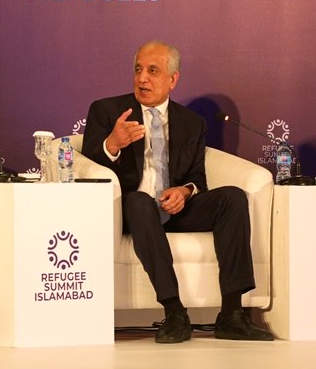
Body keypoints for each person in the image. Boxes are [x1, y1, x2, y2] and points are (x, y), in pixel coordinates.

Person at [82, 41, 274, 343]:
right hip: (130, 209)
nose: (142, 78)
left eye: (153, 71)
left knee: (233, 198)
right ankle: (174, 312)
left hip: (175, 208)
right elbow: (87, 166)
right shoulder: (107, 111)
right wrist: (113, 145)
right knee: (139, 202)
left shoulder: (191, 123)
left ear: (173, 79)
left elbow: (198, 175)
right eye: (138, 70)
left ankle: (232, 314)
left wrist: (185, 191)